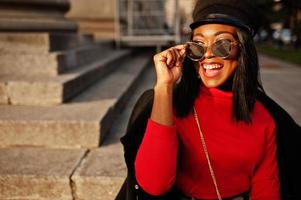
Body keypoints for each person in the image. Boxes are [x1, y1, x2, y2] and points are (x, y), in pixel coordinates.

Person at [116, 0, 301, 200]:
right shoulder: (170, 106)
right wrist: (164, 86)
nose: (208, 55)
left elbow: (266, 189)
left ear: (243, 50)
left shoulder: (266, 118)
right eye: (198, 45)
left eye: (222, 44)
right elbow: (154, 185)